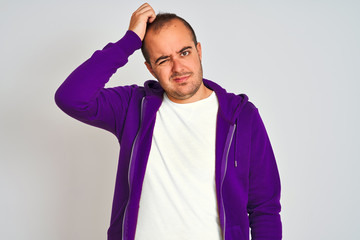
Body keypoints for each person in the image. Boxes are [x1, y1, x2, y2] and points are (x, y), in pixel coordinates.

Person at [55, 3, 282, 240]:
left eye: (184, 52)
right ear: (150, 69)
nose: (178, 67)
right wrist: (129, 41)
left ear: (199, 51)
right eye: (163, 60)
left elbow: (264, 207)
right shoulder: (132, 107)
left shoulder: (241, 116)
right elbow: (71, 97)